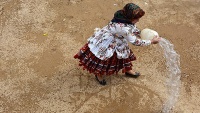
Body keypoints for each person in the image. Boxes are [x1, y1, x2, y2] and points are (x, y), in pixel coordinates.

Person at [74, 3, 161, 85]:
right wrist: (151, 41)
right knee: (104, 60)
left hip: (118, 39)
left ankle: (127, 70)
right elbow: (135, 41)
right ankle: (99, 74)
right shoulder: (123, 29)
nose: (138, 20)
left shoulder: (122, 15)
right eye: (136, 18)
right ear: (130, 17)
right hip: (109, 43)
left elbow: (131, 28)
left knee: (124, 56)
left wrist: (141, 33)